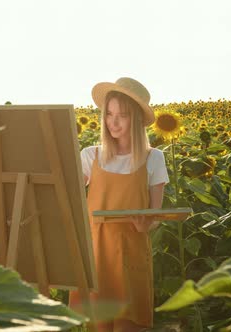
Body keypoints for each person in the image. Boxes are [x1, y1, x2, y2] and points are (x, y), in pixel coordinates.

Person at [69, 77, 169, 332]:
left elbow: (155, 215)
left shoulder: (154, 158)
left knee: (129, 324)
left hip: (131, 252)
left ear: (136, 118)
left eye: (121, 115)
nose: (112, 122)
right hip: (96, 254)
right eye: (109, 114)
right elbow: (68, 197)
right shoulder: (90, 155)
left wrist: (147, 224)